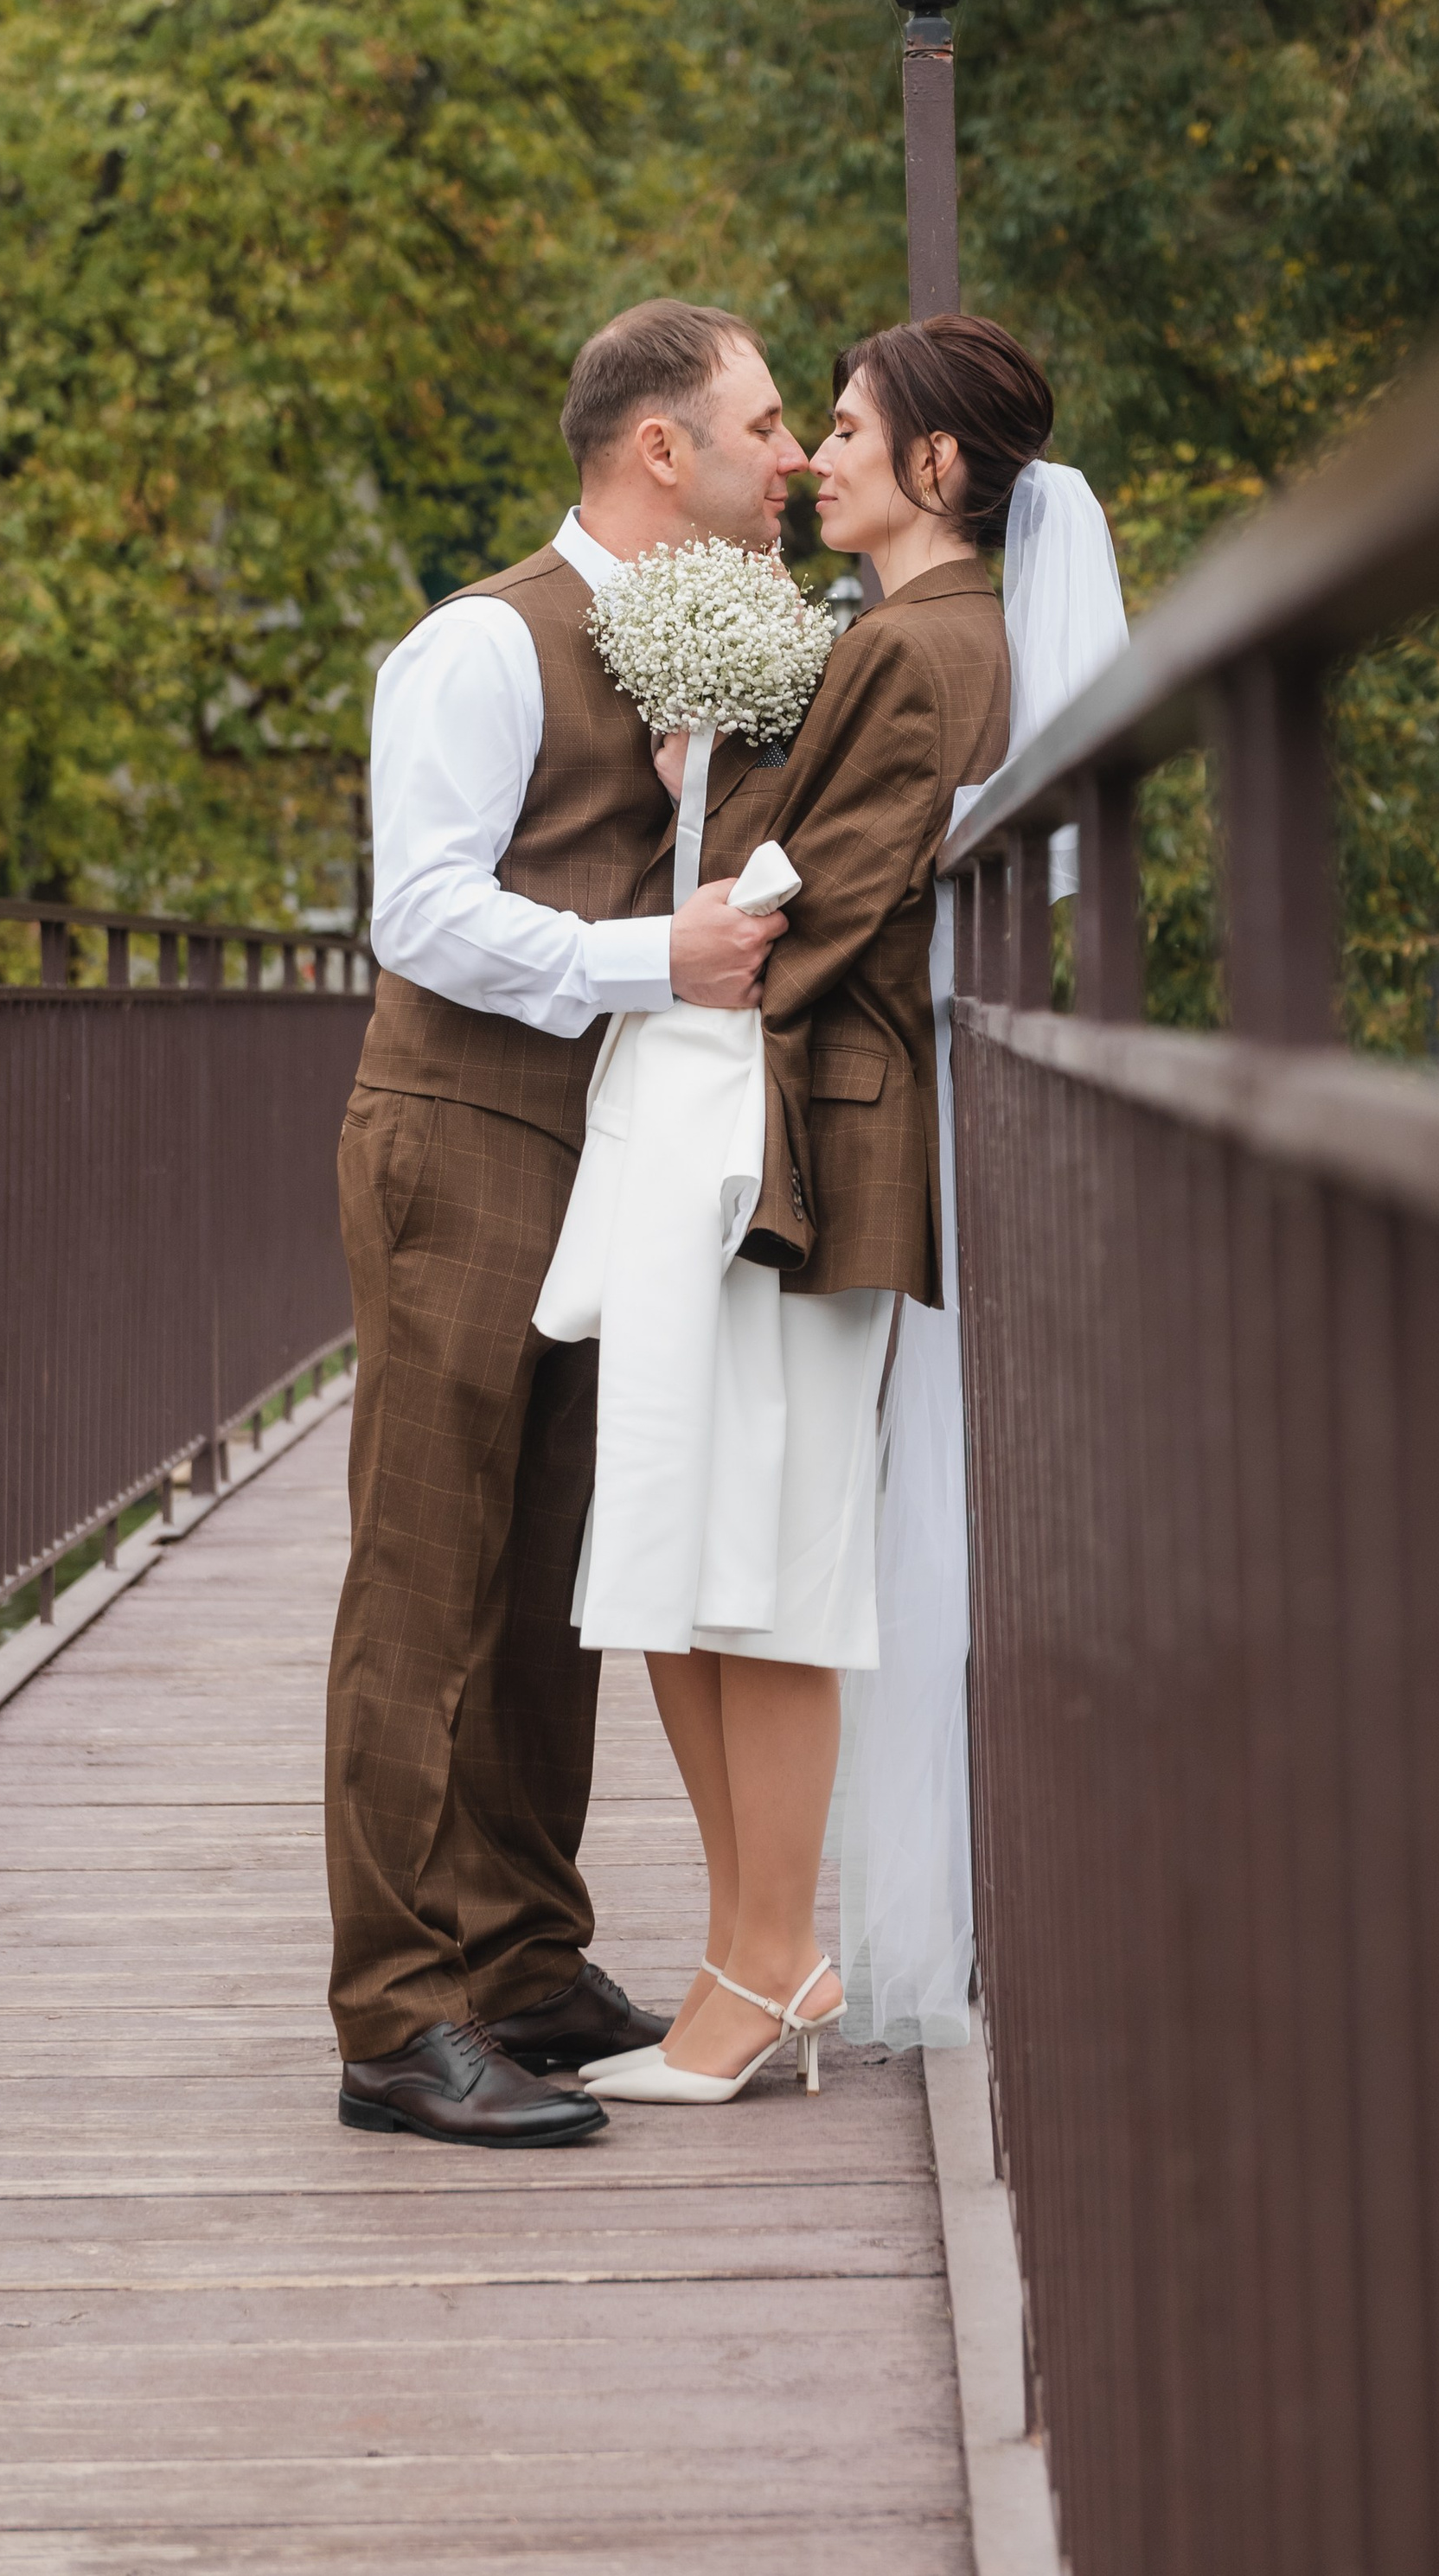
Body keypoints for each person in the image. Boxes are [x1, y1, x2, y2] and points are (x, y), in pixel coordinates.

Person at [325, 300, 803, 2149]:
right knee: (426, 1578)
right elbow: (421, 912)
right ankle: (393, 2013)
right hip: (458, 1131)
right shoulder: (481, 645)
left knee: (546, 1590)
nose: (786, 458)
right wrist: (644, 951)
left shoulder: (703, 641)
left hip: (605, 1149)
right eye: (761, 424)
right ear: (658, 450)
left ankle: (521, 1961)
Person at [578, 312, 1054, 2105]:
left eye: (844, 429)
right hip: (782, 1128)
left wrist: (698, 881)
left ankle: (762, 1963)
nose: (812, 457)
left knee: (759, 1574)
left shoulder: (922, 648)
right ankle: (748, 1950)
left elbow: (826, 905)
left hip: (805, 1139)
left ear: (935, 467)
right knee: (694, 1567)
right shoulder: (891, 636)